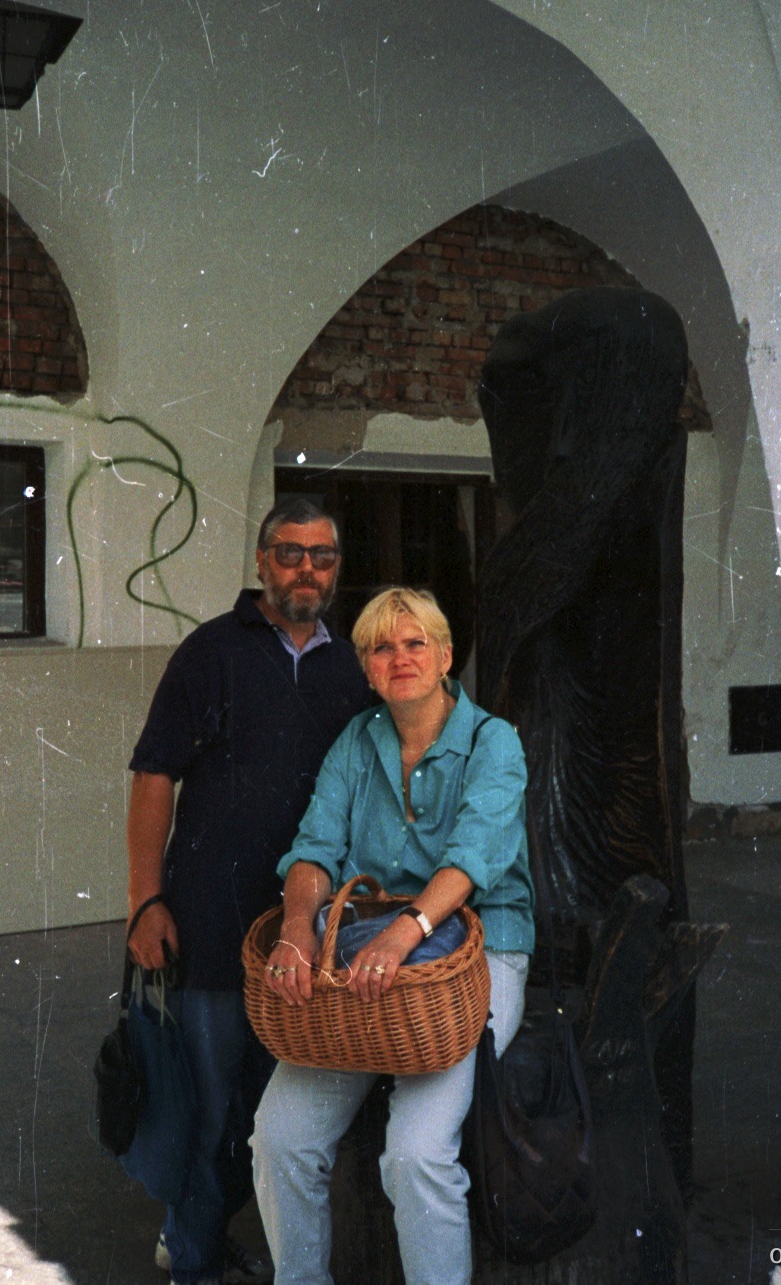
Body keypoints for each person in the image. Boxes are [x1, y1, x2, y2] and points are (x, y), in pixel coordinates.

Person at [249, 587, 535, 1285]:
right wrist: (295, 930)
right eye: (382, 646)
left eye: (415, 643)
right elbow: (315, 847)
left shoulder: (493, 741)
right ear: (367, 668)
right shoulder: (358, 739)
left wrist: (407, 932)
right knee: (279, 1139)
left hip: (471, 959)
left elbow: (472, 858)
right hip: (363, 961)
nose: (399, 658)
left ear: (443, 657)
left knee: (416, 1153)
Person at [127, 497, 373, 1285]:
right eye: (291, 553)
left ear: (337, 567)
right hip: (209, 922)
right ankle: (193, 1261)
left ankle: (214, 1232)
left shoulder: (354, 664)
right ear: (262, 562)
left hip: (307, 937)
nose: (307, 568)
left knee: (272, 1115)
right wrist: (145, 900)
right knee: (206, 1110)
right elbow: (153, 776)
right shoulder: (209, 654)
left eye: (323, 555)